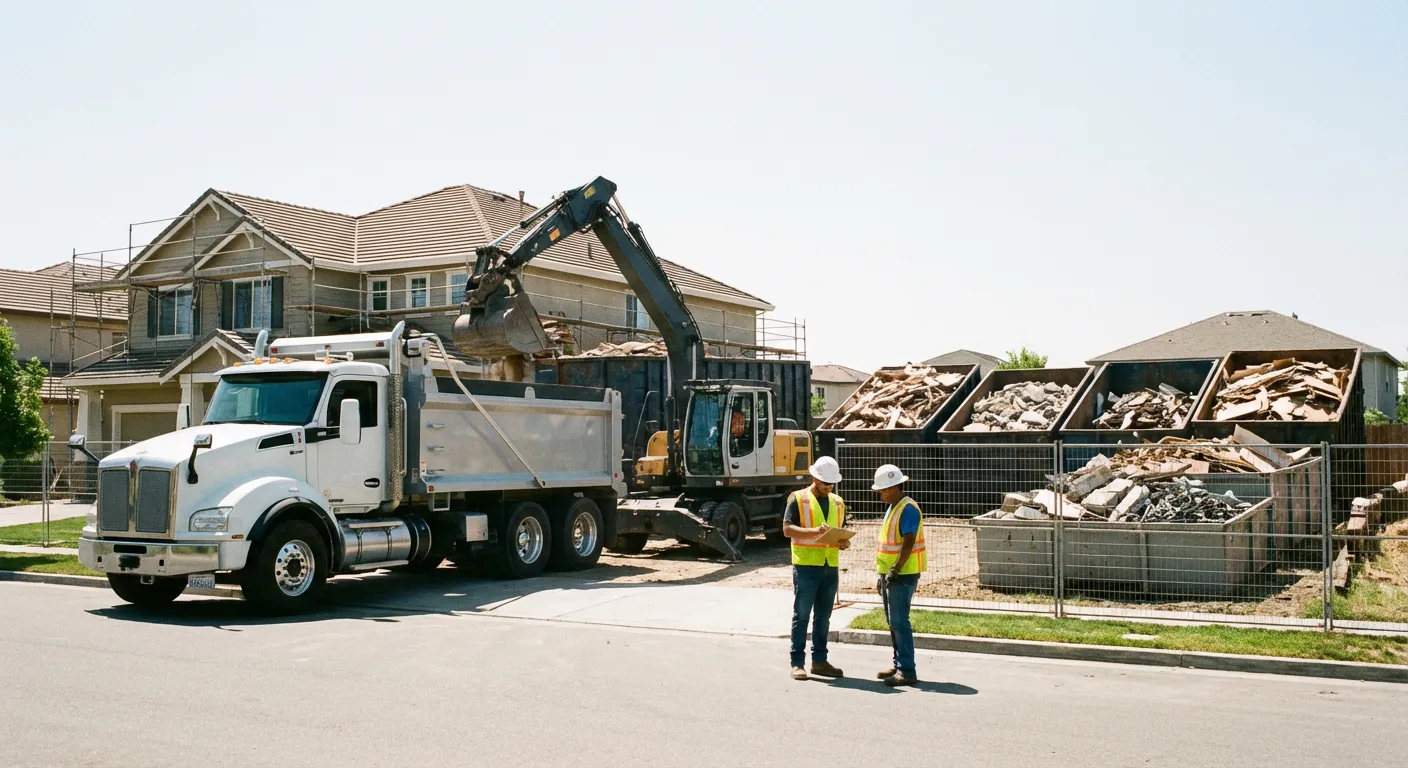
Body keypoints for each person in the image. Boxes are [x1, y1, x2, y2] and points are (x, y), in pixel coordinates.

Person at [782, 456, 851, 680]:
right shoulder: (798, 499)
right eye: (824, 483)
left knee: (823, 617)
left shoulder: (838, 502)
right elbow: (787, 529)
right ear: (814, 478)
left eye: (831, 483)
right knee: (801, 615)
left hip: (830, 567)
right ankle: (797, 663)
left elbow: (839, 531)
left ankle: (819, 661)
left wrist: (843, 542)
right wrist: (814, 532)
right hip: (805, 567)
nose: (828, 487)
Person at [872, 463, 926, 687]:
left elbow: (909, 540)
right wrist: (883, 574)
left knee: (899, 621)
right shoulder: (894, 507)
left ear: (895, 486)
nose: (881, 494)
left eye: (883, 490)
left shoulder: (907, 508)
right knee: (892, 622)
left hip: (903, 574)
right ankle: (899, 663)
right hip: (891, 573)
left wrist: (895, 569)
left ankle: (907, 669)